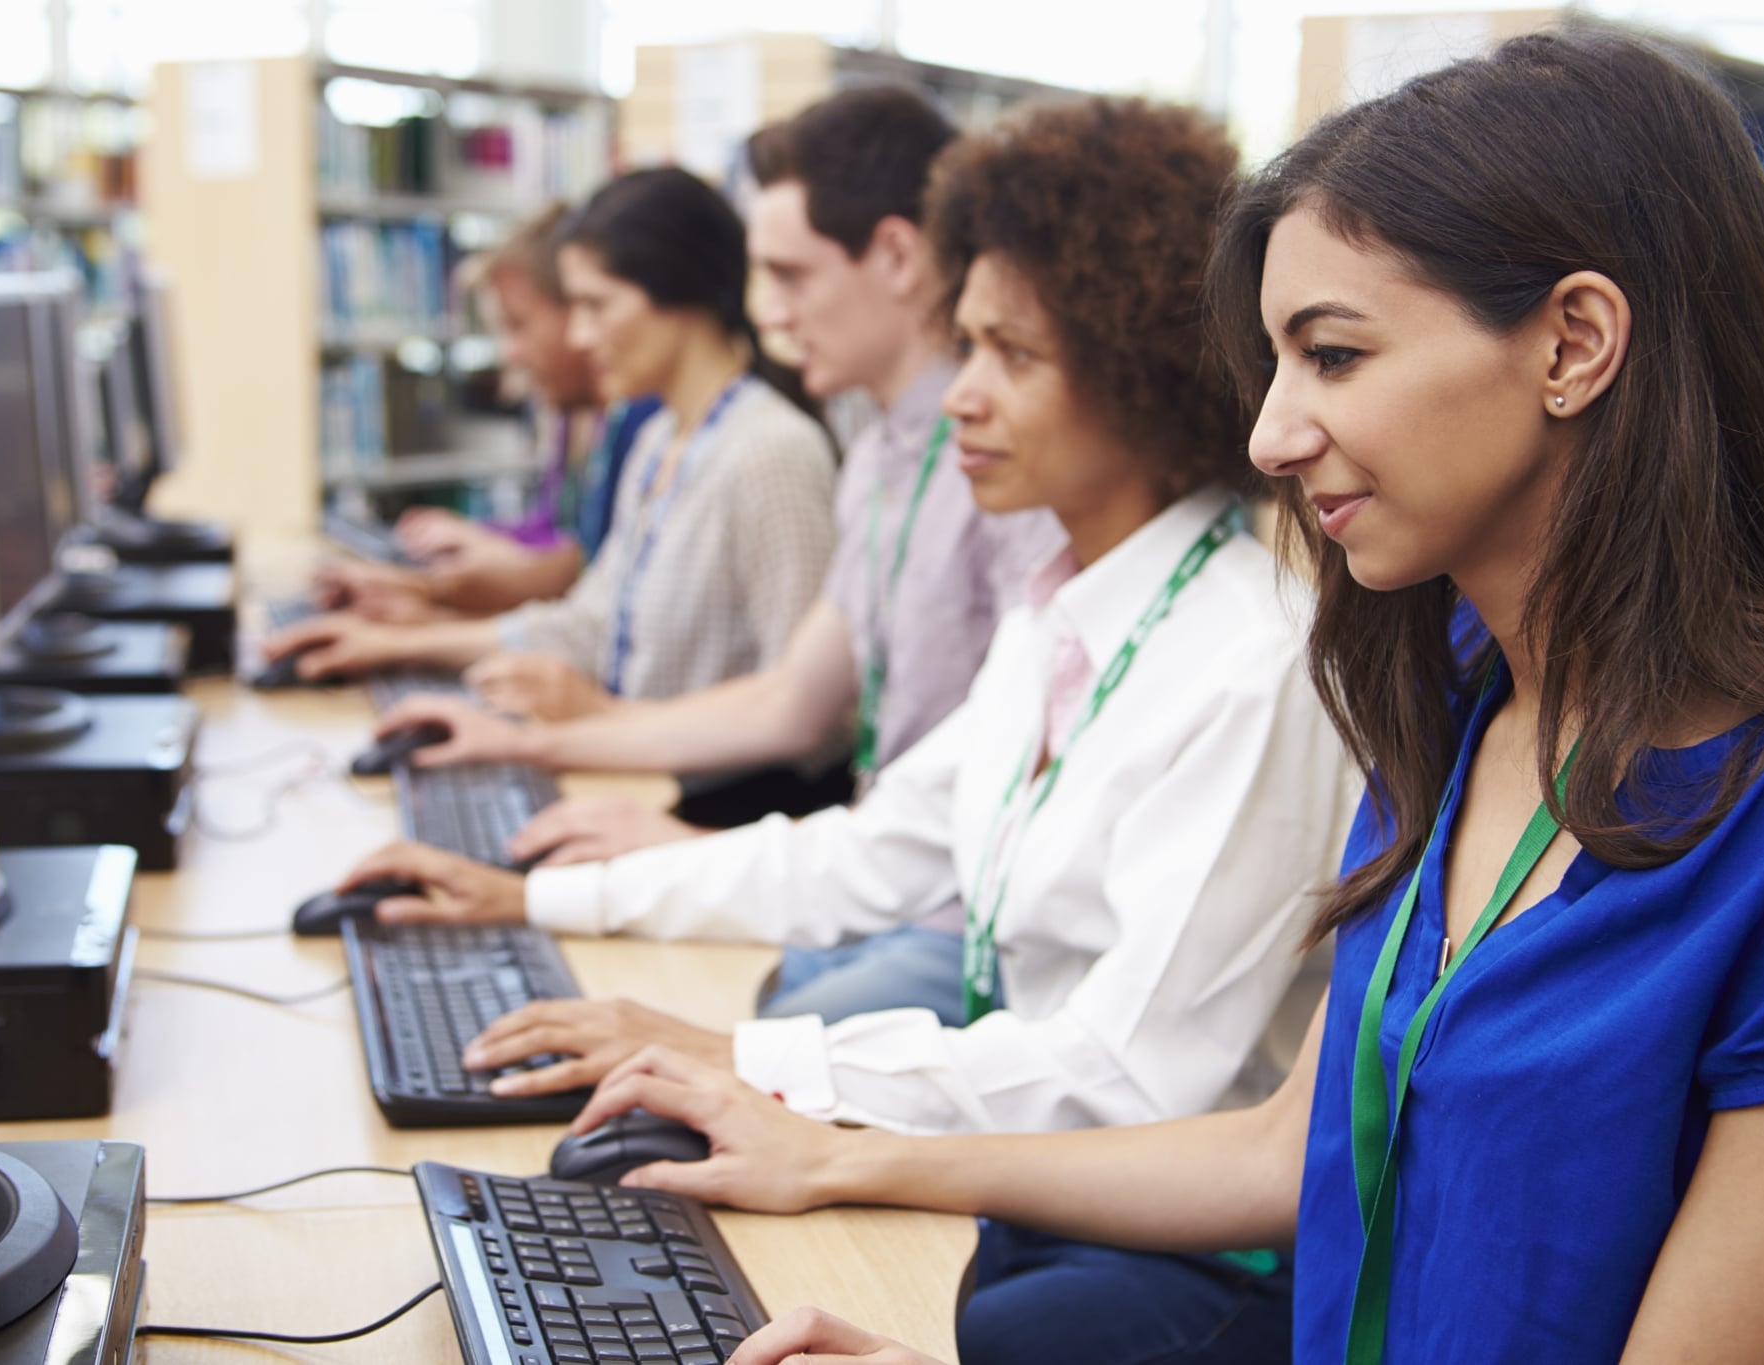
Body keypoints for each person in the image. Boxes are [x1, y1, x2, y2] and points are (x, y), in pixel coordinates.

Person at [568, 27, 1764, 1365]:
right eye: (1276, 364)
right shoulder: (1458, 702)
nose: (1270, 435)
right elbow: (1284, 1147)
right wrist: (835, 1160)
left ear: (1575, 344)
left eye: (1336, 356)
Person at [338, 99, 1355, 1188]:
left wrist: (739, 1058)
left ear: (1137, 368)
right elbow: (868, 853)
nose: (960, 395)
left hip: (1152, 1215)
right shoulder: (1057, 614)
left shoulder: (1249, 665)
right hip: (1029, 1134)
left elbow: (1128, 1073)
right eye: (965, 345)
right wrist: (529, 897)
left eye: (1010, 355)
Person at [372, 84, 1065, 1026]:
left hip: (943, 914)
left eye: (790, 275)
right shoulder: (878, 454)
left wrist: (679, 840)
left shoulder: (1008, 471)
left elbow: (820, 742)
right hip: (874, 884)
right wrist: (534, 742)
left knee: (679, 1043)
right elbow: (793, 692)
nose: (772, 313)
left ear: (898, 256)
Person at [261, 169, 838, 716]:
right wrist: (399, 644)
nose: (581, 335)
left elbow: (804, 711)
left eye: (596, 306)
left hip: (711, 803)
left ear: (678, 292)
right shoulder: (662, 439)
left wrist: (600, 719)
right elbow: (591, 626)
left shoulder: (769, 454)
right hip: (634, 770)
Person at [313, 206, 660, 624]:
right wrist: (484, 545)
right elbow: (563, 543)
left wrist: (434, 602)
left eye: (519, 326)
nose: (508, 353)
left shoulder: (639, 421)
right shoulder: (573, 416)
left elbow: (585, 577)